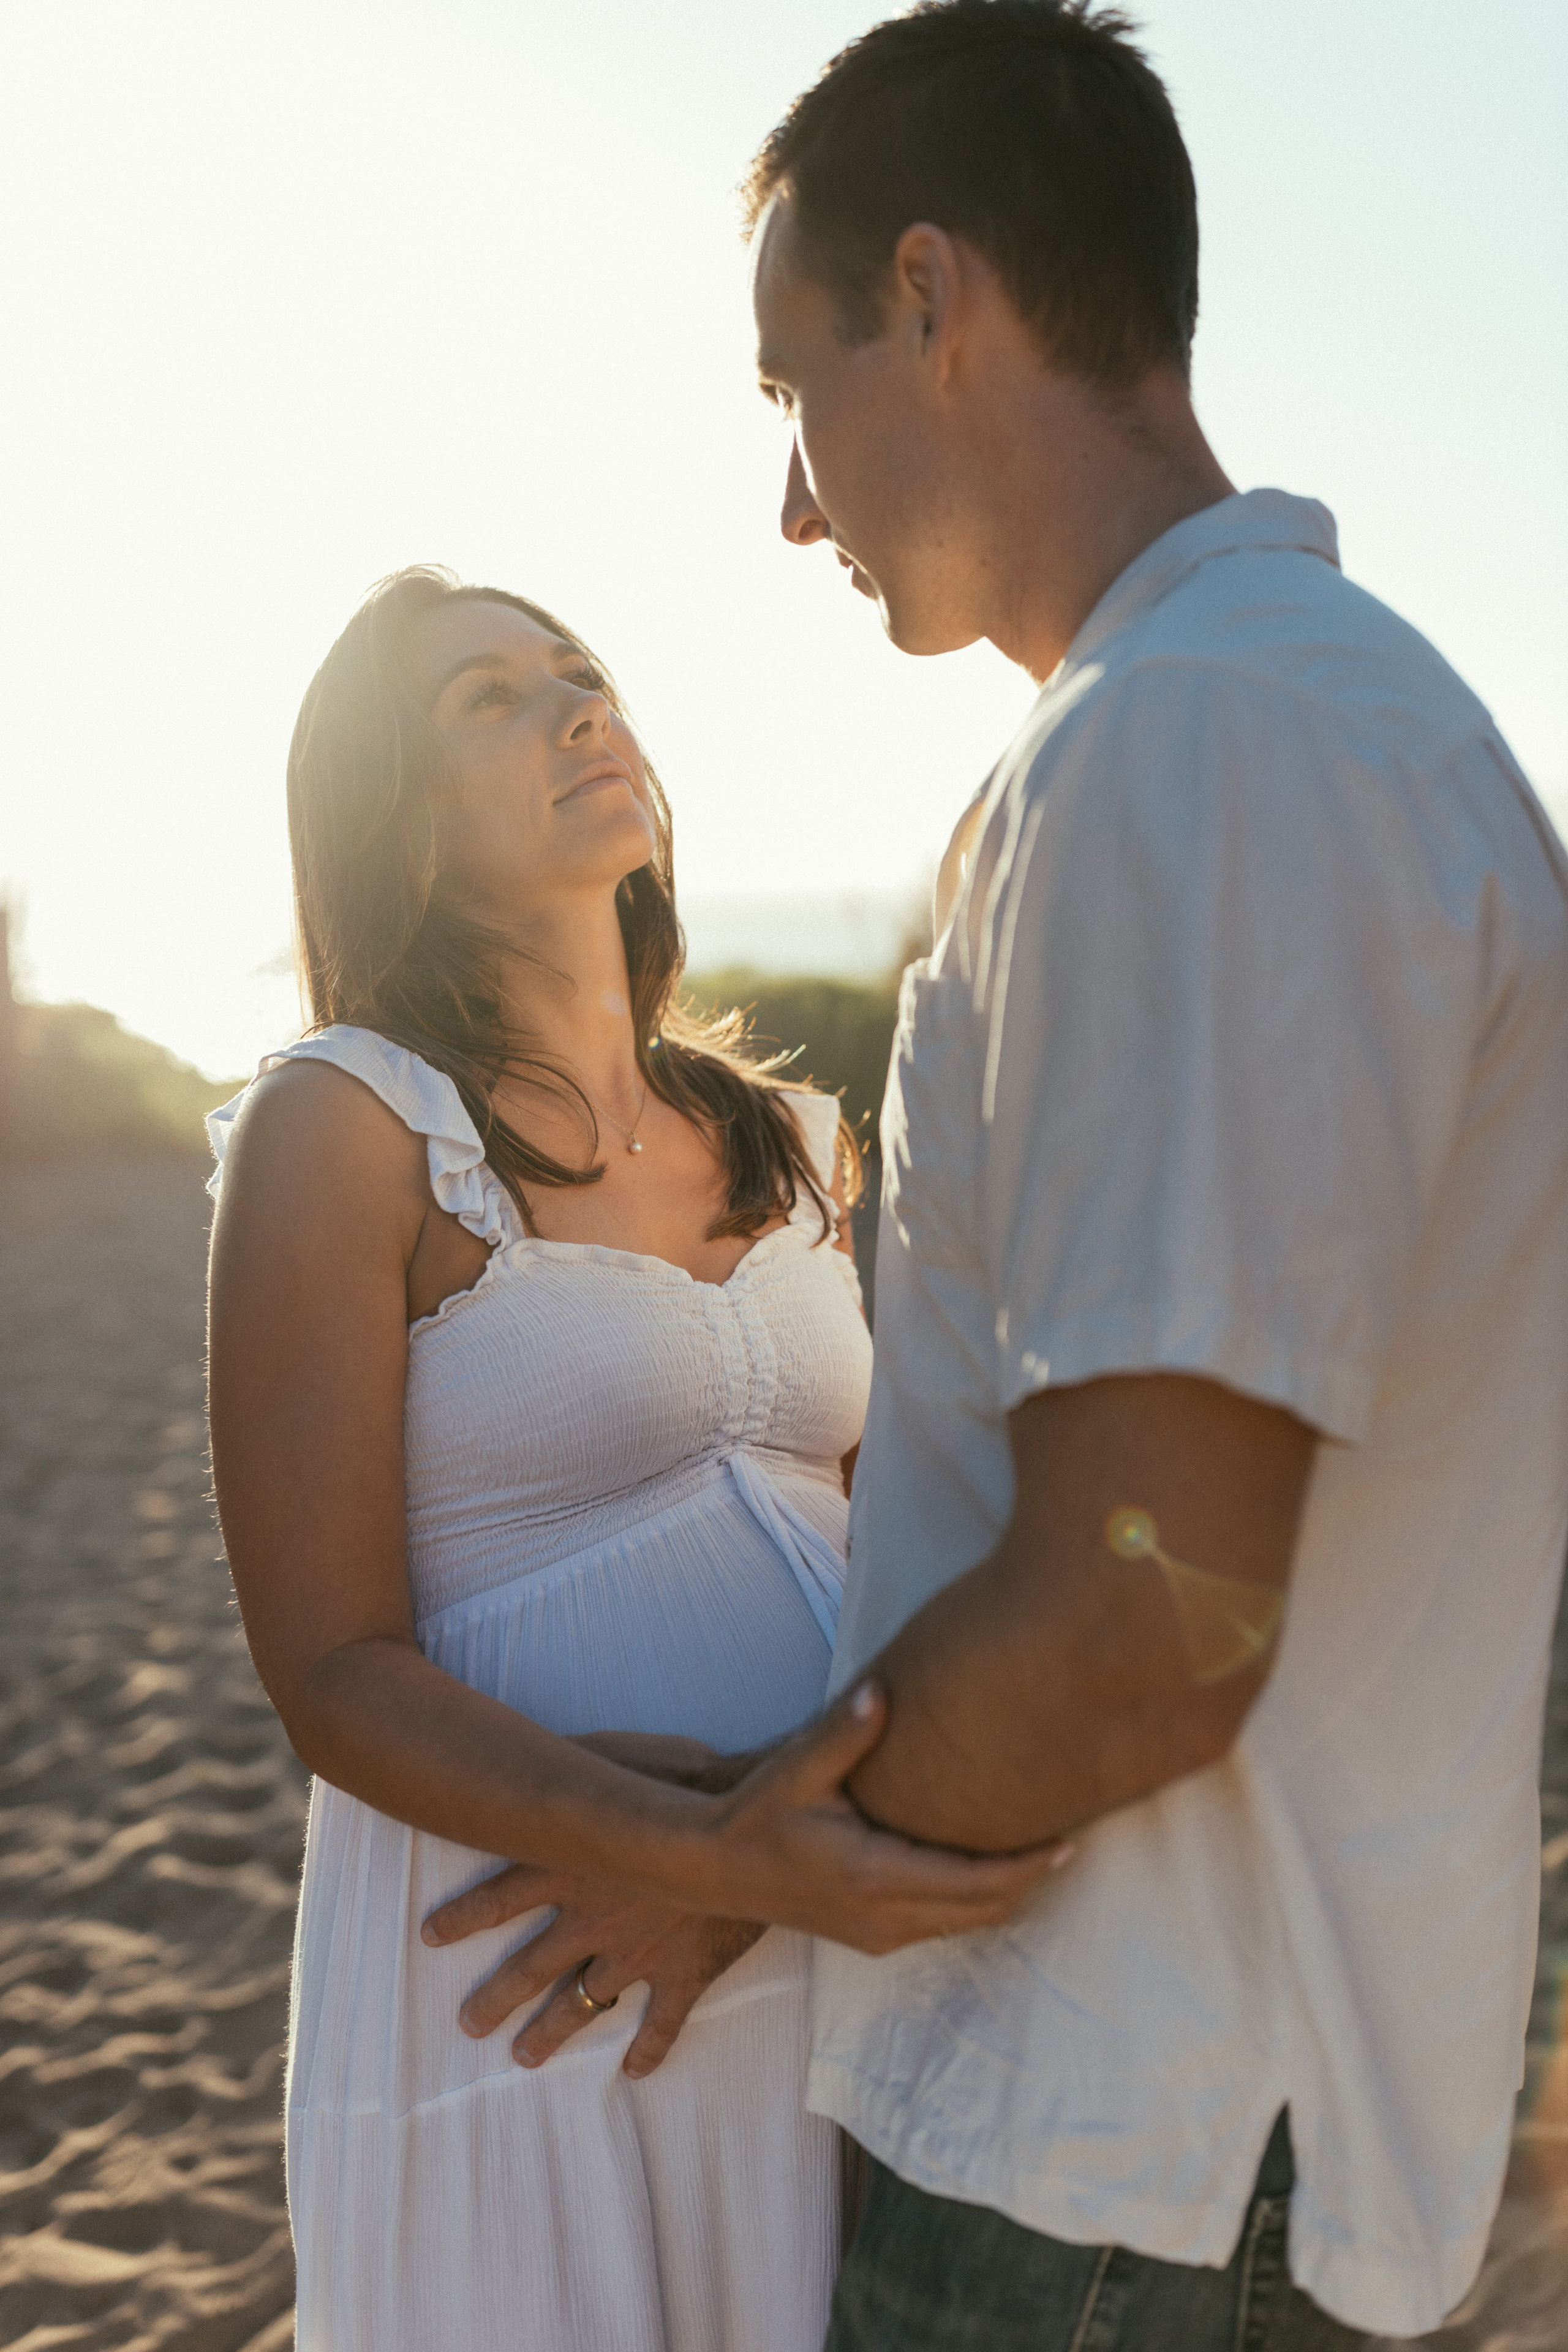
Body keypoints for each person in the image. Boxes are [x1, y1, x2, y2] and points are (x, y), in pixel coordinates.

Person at [735, 1, 1567, 2346]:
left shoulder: (1200, 745)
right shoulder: (1288, 717)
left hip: (1122, 2172)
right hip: (1191, 2160)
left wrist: (752, 1865)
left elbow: (1143, 1621)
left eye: (790, 392)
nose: (793, 499)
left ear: (933, 295)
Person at [203, 567, 1054, 2352]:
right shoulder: (345, 1125)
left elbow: (904, 1531)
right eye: (485, 702)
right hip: (539, 1961)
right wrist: (700, 1854)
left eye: (578, 673)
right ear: (393, 821)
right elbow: (330, 1669)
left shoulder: (802, 1139)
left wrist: (754, 1860)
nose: (573, 708)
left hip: (809, 1939)